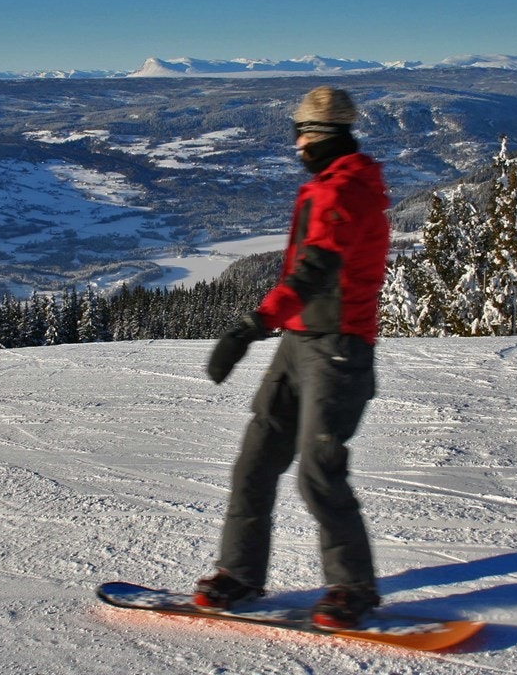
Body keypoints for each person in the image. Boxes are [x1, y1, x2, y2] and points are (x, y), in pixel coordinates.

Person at [196, 85, 390, 630]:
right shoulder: (328, 183)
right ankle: (239, 573)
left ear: (322, 135)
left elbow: (315, 270)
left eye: (301, 135)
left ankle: (353, 587)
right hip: (299, 343)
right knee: (256, 460)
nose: (297, 145)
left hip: (338, 349)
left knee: (318, 471)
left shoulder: (346, 189)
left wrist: (251, 326)